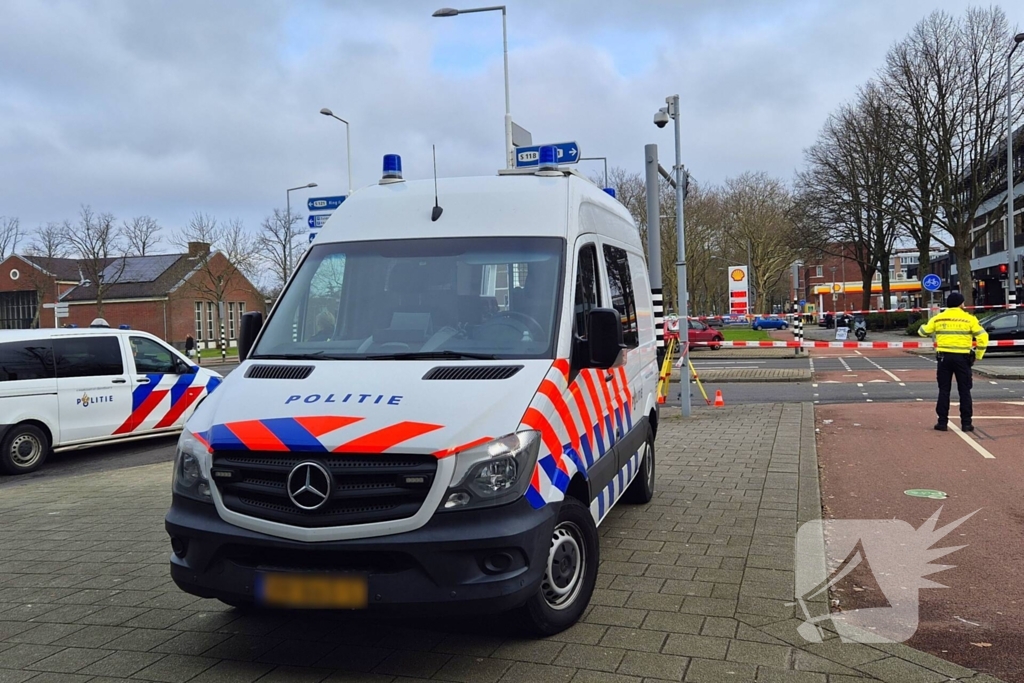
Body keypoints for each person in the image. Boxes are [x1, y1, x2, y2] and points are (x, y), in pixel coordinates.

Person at [918, 291, 989, 432]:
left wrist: (921, 327)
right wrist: (978, 355)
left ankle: (942, 423)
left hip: (944, 358)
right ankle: (966, 424)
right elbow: (983, 337)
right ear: (961, 304)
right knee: (965, 391)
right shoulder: (969, 319)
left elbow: (923, 332)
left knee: (944, 390)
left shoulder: (939, 318)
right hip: (963, 359)